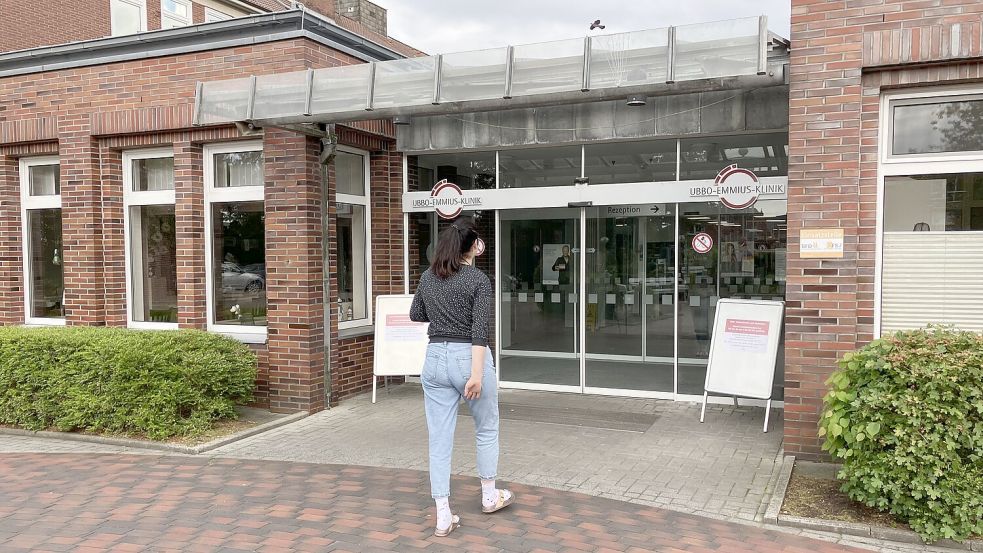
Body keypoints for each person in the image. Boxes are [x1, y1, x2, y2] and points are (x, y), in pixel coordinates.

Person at [409, 216, 515, 538]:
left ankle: (443, 515)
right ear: (473, 248)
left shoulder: (429, 276)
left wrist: (439, 309)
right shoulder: (478, 280)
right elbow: (480, 330)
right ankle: (488, 495)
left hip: (434, 359)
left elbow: (417, 314)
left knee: (439, 439)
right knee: (486, 427)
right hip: (469, 357)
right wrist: (476, 374)